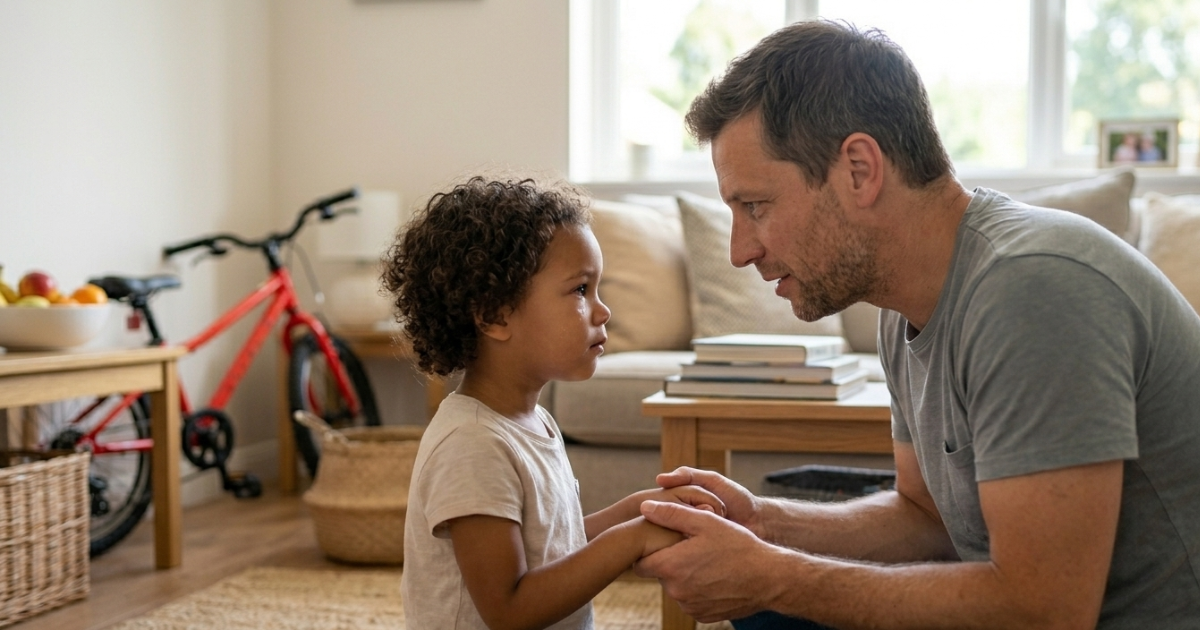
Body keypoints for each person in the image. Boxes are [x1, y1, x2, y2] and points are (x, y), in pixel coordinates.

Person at [634, 20, 1200, 629]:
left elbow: (1047, 611)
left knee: (775, 595)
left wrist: (775, 572)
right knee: (767, 604)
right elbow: (926, 518)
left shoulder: (1031, 286)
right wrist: (764, 525)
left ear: (859, 169)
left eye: (755, 206)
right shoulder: (902, 304)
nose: (740, 250)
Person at [382, 177, 724, 630]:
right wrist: (633, 540)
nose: (603, 311)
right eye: (580, 290)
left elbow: (554, 547)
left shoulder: (533, 421)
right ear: (494, 315)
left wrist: (642, 511)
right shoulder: (471, 445)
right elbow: (510, 609)